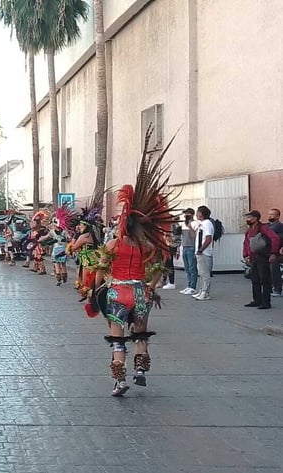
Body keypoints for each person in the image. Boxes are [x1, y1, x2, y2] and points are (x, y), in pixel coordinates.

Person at [85, 134, 175, 397]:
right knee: (141, 334)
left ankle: (119, 381)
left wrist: (94, 289)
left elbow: (101, 269)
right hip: (141, 292)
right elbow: (160, 269)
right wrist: (151, 286)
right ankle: (140, 372)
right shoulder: (148, 246)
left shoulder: (114, 244)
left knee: (117, 337)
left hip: (117, 292)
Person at [242, 210, 280, 310]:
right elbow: (246, 243)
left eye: (249, 217)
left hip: (262, 256)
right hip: (254, 257)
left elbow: (275, 238)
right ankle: (257, 300)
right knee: (254, 279)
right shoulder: (249, 230)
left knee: (265, 279)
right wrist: (246, 255)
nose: (247, 219)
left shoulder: (264, 228)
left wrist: (273, 253)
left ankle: (266, 302)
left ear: (255, 218)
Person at [193, 205, 215, 301]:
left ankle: (205, 292)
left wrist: (201, 249)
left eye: (198, 212)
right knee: (201, 273)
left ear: (202, 214)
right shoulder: (202, 224)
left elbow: (208, 238)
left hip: (204, 253)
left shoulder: (207, 223)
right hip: (201, 252)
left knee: (205, 274)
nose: (196, 214)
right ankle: (202, 290)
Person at [179, 208, 200, 295]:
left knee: (192, 268)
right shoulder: (183, 224)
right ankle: (189, 285)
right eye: (185, 214)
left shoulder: (195, 223)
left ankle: (193, 287)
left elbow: (195, 236)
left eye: (187, 214)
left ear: (191, 214)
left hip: (191, 247)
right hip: (184, 247)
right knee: (187, 268)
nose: (185, 216)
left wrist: (189, 227)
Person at [267, 208, 283, 297]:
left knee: (274, 264)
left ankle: (277, 289)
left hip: (278, 253)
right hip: (270, 252)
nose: (270, 216)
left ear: (278, 216)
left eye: (272, 214)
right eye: (269, 214)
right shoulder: (268, 226)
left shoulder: (278, 226)